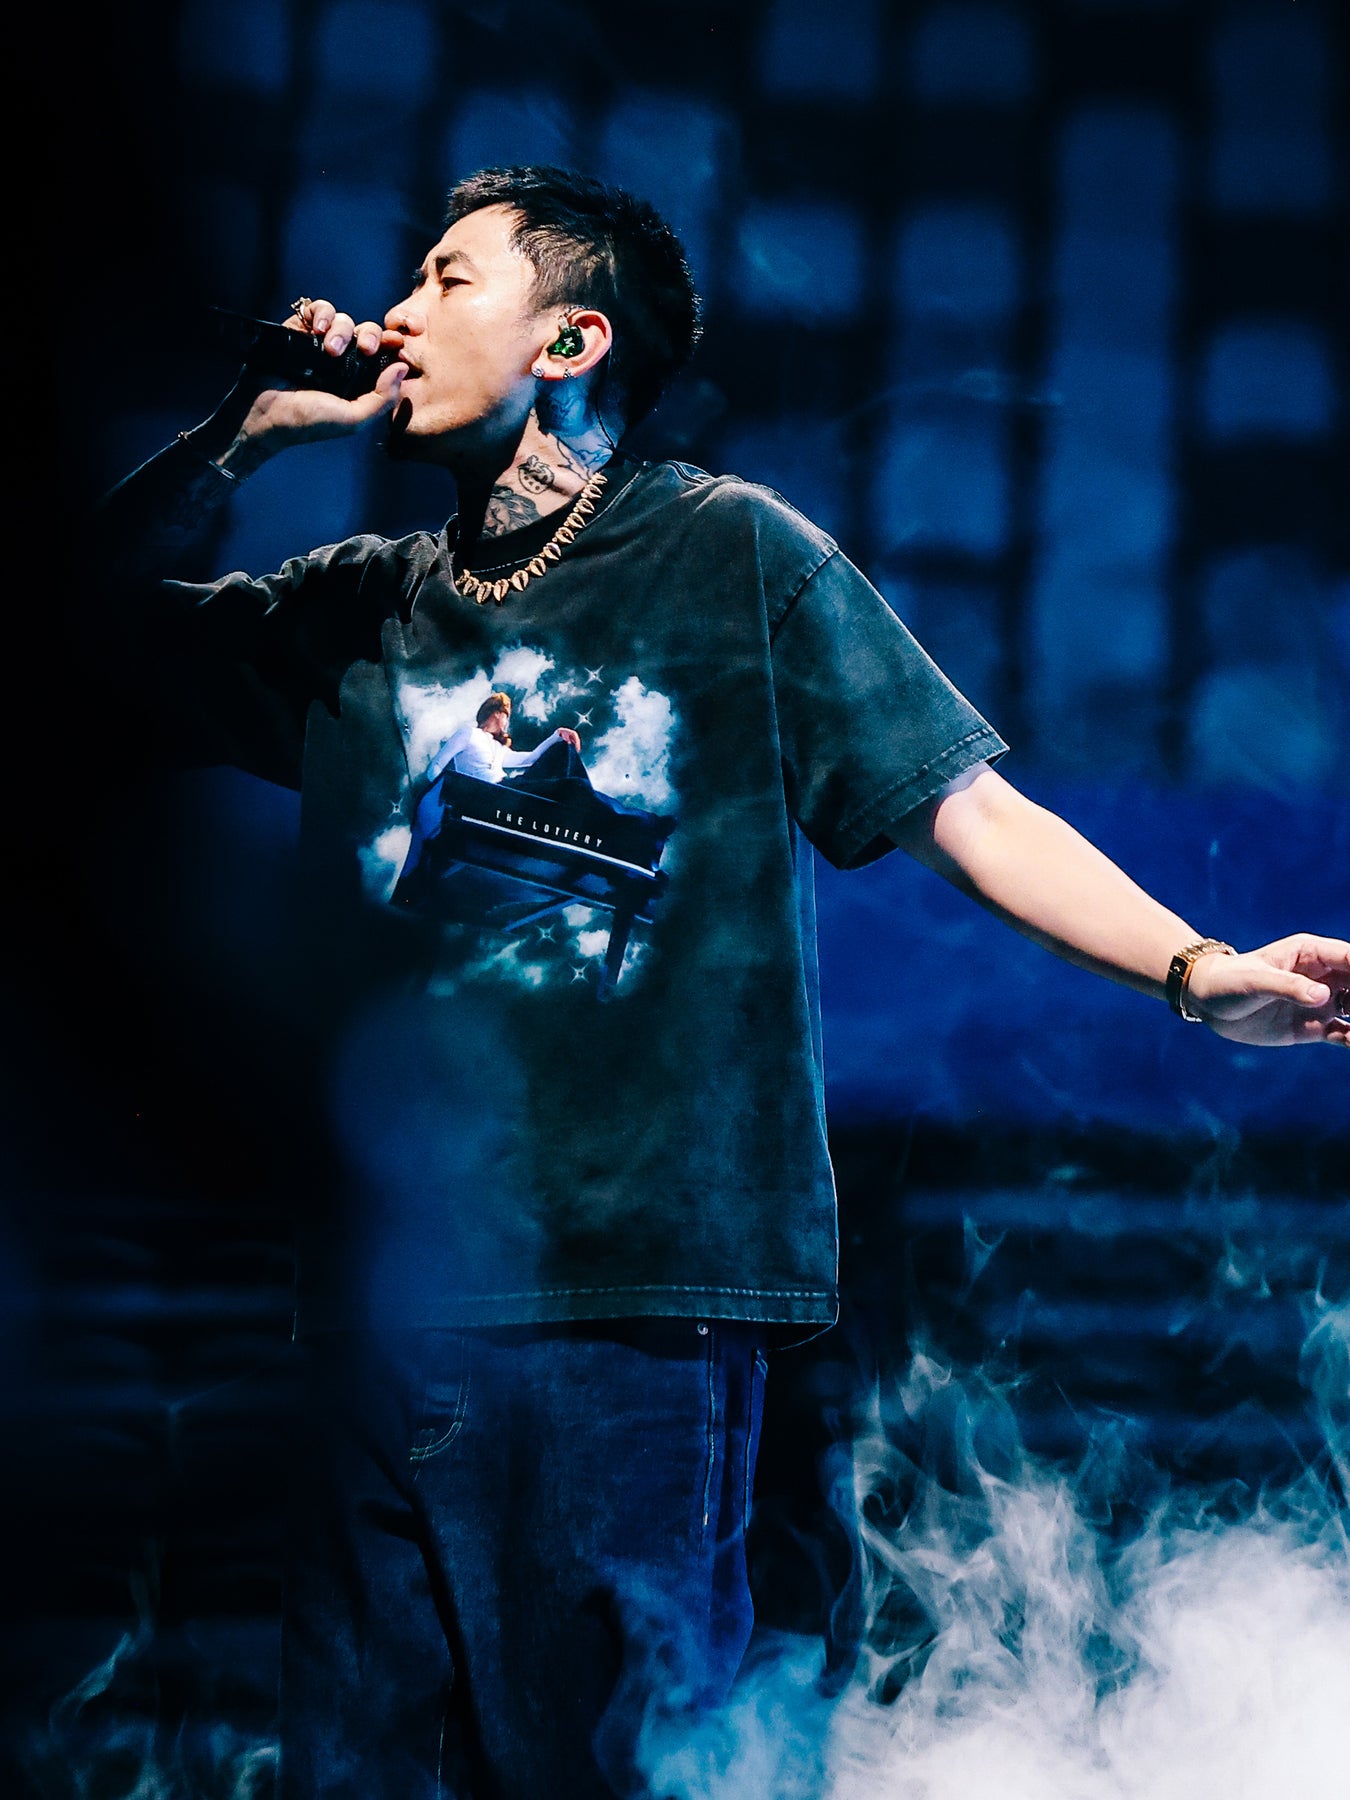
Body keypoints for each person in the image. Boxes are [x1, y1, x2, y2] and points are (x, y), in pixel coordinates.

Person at [88, 164, 1348, 1798]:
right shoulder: (356, 609)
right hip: (383, 1300)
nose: (395, 315)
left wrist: (1196, 969)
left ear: (570, 339)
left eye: (448, 280)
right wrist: (242, 436)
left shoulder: (730, 557)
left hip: (630, 1298)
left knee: (603, 1769)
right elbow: (71, 657)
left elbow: (967, 813)